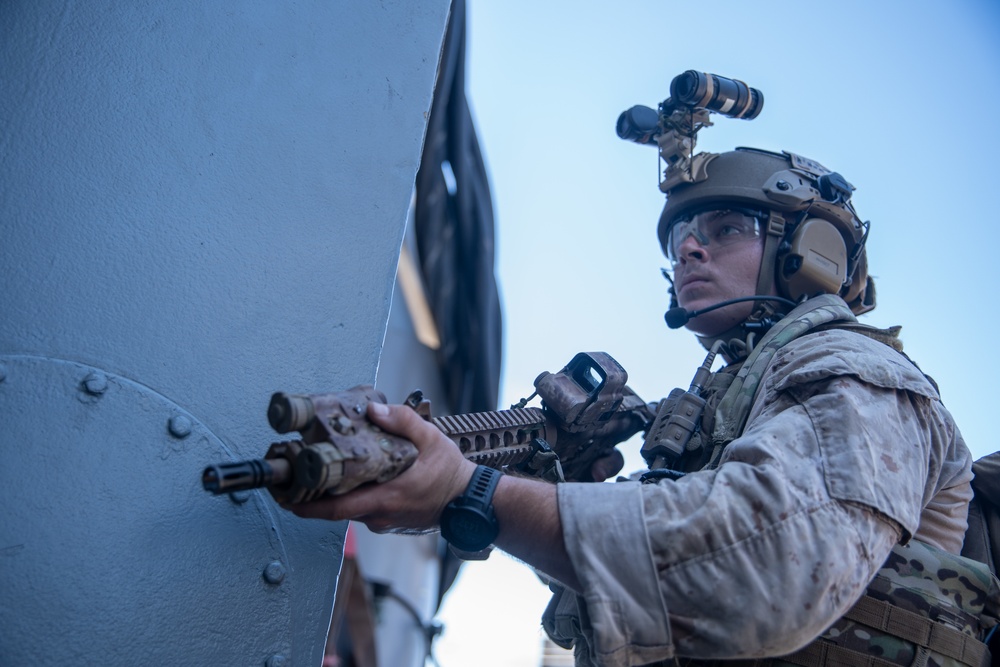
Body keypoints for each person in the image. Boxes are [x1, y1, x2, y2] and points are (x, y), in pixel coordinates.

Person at [289, 144, 991, 666]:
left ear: (809, 251)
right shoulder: (736, 398)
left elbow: (762, 570)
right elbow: (635, 587)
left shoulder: (859, 370)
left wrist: (471, 493)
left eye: (723, 228)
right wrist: (555, 484)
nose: (688, 248)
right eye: (681, 238)